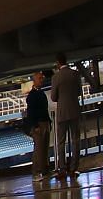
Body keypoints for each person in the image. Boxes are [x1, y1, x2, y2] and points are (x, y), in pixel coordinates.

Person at [50, 53, 83, 183]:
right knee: (75, 140)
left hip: (62, 113)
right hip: (74, 111)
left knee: (61, 142)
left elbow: (53, 97)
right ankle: (74, 169)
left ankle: (62, 169)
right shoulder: (75, 74)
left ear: (58, 63)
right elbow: (79, 92)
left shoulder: (56, 77)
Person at [24, 71, 51, 182]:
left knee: (44, 149)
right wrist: (35, 126)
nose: (42, 80)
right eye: (40, 78)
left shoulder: (41, 93)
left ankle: (44, 171)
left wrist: (49, 122)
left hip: (45, 122)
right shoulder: (32, 95)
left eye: (42, 78)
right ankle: (36, 172)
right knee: (38, 150)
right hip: (38, 124)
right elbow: (31, 113)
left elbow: (45, 109)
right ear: (34, 80)